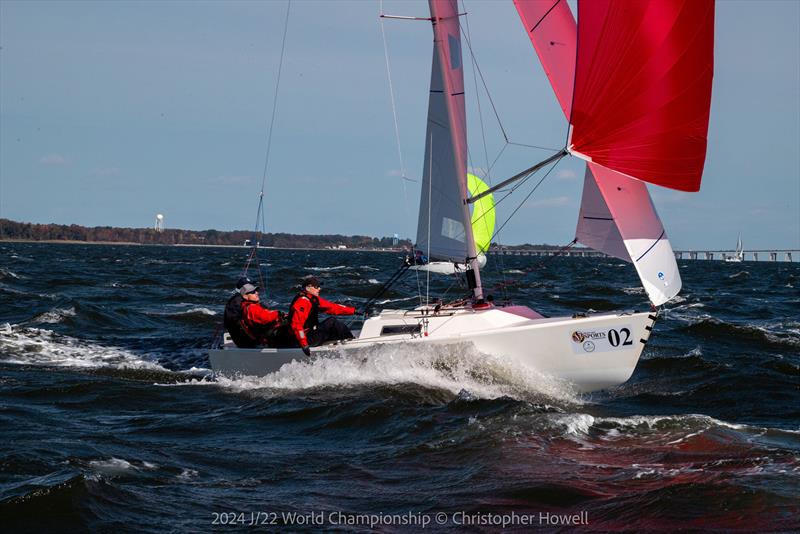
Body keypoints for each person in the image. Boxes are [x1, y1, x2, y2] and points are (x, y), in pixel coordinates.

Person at [287, 275, 355, 355]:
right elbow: (297, 325)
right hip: (302, 340)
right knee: (332, 322)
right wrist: (304, 344)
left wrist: (353, 311)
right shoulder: (303, 301)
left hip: (310, 334)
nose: (319, 288)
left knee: (333, 327)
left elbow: (332, 307)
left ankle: (348, 344)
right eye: (317, 286)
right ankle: (352, 345)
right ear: (308, 288)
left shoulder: (312, 299)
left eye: (319, 286)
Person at [223, 277, 285, 348]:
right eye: (252, 291)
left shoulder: (240, 301)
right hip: (247, 339)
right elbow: (262, 317)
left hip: (246, 336)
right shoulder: (243, 304)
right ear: (245, 294)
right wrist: (279, 314)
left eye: (255, 289)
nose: (257, 292)